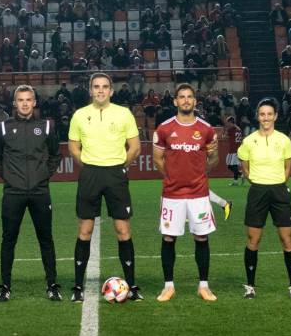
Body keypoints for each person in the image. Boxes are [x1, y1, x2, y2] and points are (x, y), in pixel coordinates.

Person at [68, 72, 142, 302]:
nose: (100, 90)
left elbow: (135, 147)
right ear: (90, 90)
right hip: (90, 174)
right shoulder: (80, 115)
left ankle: (131, 286)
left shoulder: (124, 113)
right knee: (85, 230)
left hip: (115, 175)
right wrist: (90, 165)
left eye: (104, 87)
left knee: (123, 230)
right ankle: (78, 287)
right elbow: (73, 147)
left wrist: (120, 166)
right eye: (96, 87)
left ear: (111, 90)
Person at [0, 85, 62, 301]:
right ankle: (5, 287)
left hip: (40, 192)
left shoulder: (46, 127)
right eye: (20, 100)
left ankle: (52, 285)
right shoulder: (3, 128)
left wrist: (43, 176)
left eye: (28, 99)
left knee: (46, 239)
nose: (24, 103)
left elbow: (55, 155)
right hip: (13, 192)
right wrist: (9, 177)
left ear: (34, 102)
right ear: (15, 103)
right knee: (8, 239)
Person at [152, 83, 219, 302]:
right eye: (182, 97)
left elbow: (214, 159)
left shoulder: (207, 129)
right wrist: (171, 176)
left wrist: (199, 174)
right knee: (169, 238)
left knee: (201, 237)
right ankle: (168, 286)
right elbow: (157, 159)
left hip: (199, 194)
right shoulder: (163, 129)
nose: (186, 100)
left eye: (190, 97)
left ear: (195, 101)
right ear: (175, 101)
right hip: (172, 195)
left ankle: (204, 286)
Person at [237, 98, 291, 300]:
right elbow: (244, 167)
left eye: (269, 114)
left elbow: (288, 166)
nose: (265, 117)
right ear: (258, 116)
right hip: (258, 192)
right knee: (253, 239)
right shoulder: (248, 141)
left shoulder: (284, 140)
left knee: (287, 238)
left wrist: (279, 182)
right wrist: (256, 181)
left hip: (279, 191)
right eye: (262, 114)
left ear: (275, 116)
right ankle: (250, 286)